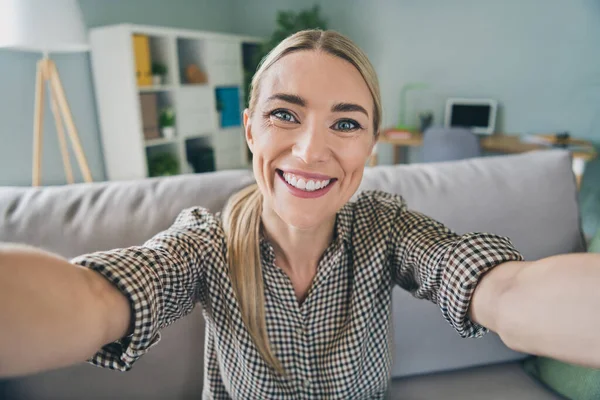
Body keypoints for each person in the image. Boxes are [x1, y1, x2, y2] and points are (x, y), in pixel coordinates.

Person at [1, 29, 599, 399]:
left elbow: (501, 290)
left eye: (345, 124)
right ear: (251, 131)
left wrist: (516, 296)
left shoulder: (388, 230)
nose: (312, 150)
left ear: (370, 146)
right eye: (285, 114)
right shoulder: (205, 246)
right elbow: (98, 299)